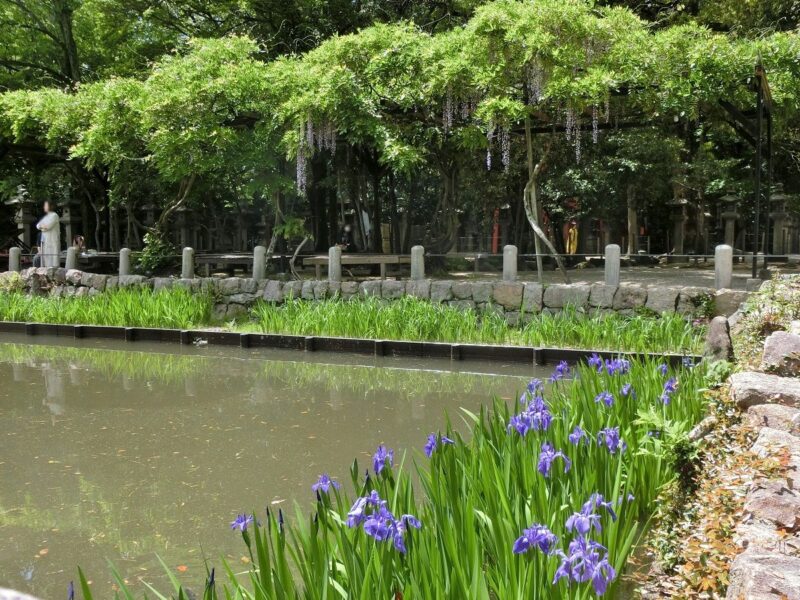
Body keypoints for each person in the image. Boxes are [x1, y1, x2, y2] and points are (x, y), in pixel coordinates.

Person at [36, 201, 61, 267]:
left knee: (52, 262)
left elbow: (47, 226)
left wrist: (42, 227)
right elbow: (38, 225)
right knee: (45, 261)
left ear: (51, 206)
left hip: (52, 241)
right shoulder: (46, 217)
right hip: (45, 241)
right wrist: (42, 227)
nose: (44, 207)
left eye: (46, 205)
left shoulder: (54, 215)